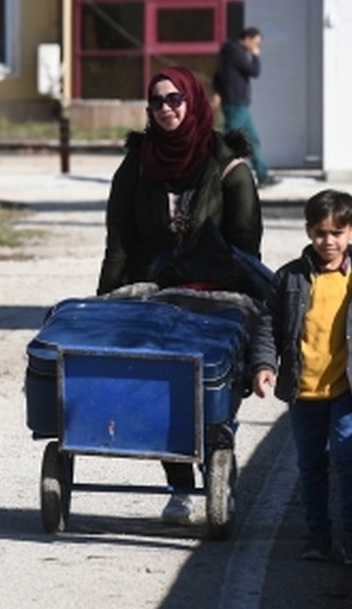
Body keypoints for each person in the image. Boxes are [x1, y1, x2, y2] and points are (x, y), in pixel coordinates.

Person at [98, 65, 262, 524]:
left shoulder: (230, 168)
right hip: (156, 296)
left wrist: (227, 303)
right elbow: (120, 243)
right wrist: (105, 305)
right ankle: (180, 488)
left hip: (217, 299)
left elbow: (244, 249)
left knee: (211, 391)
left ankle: (218, 471)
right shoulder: (136, 166)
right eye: (156, 101)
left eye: (175, 100)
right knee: (162, 391)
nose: (166, 109)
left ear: (194, 101)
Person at [250, 189, 352, 566]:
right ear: (308, 232)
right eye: (319, 233)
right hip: (305, 389)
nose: (327, 242)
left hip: (350, 386)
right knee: (312, 464)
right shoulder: (289, 279)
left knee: (351, 461)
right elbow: (269, 327)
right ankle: (318, 536)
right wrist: (265, 365)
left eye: (336, 233)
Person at [214, 27, 275, 186]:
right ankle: (219, 172)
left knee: (252, 140)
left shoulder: (228, 52)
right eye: (255, 43)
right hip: (236, 103)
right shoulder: (236, 52)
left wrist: (218, 91)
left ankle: (262, 175)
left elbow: (218, 75)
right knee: (231, 141)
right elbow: (254, 71)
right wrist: (255, 56)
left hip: (239, 103)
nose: (256, 47)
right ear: (247, 38)